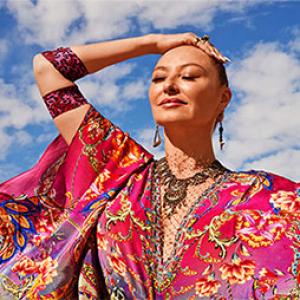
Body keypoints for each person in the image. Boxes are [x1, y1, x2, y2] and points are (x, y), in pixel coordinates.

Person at [0, 33, 299, 300]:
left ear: (223, 98)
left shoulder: (267, 200)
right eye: (158, 78)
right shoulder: (115, 167)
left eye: (190, 76)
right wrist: (153, 44)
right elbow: (49, 68)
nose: (169, 86)